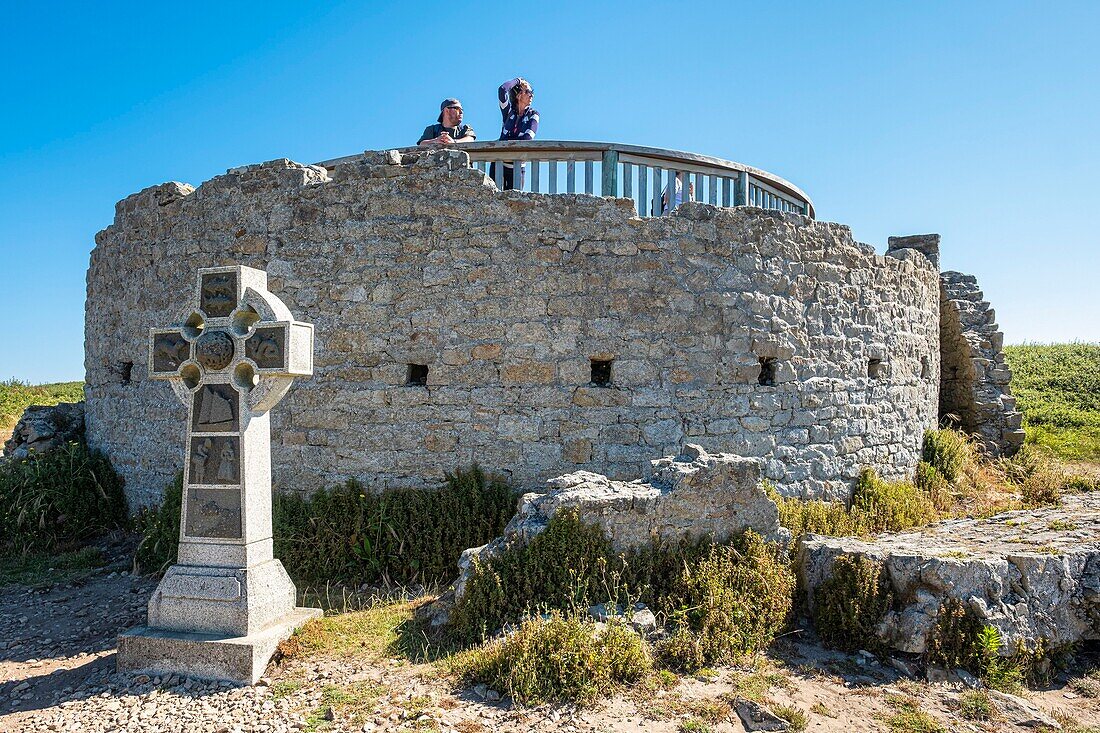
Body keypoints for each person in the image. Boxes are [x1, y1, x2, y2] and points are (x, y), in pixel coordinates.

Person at [489, 77, 539, 190]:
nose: (531, 95)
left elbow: (528, 137)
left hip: (517, 167)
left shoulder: (533, 114)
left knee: (514, 203)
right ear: (518, 95)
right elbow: (502, 90)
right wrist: (518, 80)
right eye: (528, 91)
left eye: (532, 92)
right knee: (492, 199)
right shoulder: (508, 112)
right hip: (498, 164)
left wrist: (505, 144)